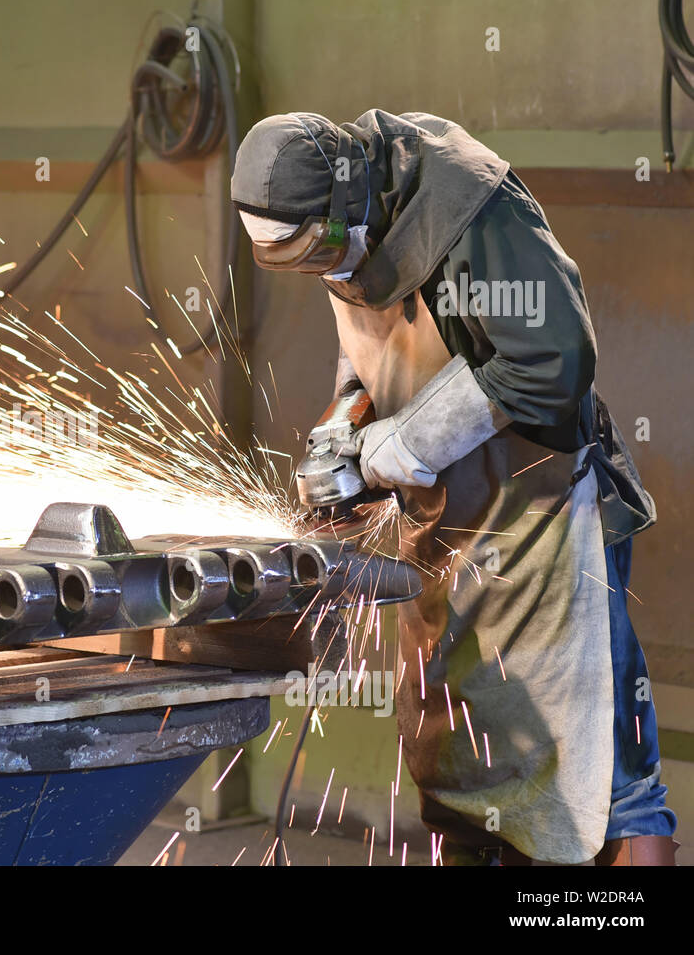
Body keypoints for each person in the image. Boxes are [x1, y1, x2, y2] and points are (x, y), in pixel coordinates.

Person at [232, 110, 677, 865]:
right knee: (462, 764)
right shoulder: (340, 224)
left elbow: (553, 363)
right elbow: (367, 342)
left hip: (546, 530)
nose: (325, 272)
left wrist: (398, 444)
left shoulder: (469, 208)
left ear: (345, 206)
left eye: (320, 252)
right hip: (453, 531)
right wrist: (345, 423)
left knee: (607, 778)